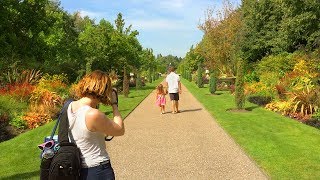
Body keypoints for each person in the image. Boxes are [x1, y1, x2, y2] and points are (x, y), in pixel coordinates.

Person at [67, 70, 124, 180]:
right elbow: (120, 130)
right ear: (103, 90)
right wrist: (114, 104)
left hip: (76, 169)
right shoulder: (93, 114)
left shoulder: (68, 106)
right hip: (97, 170)